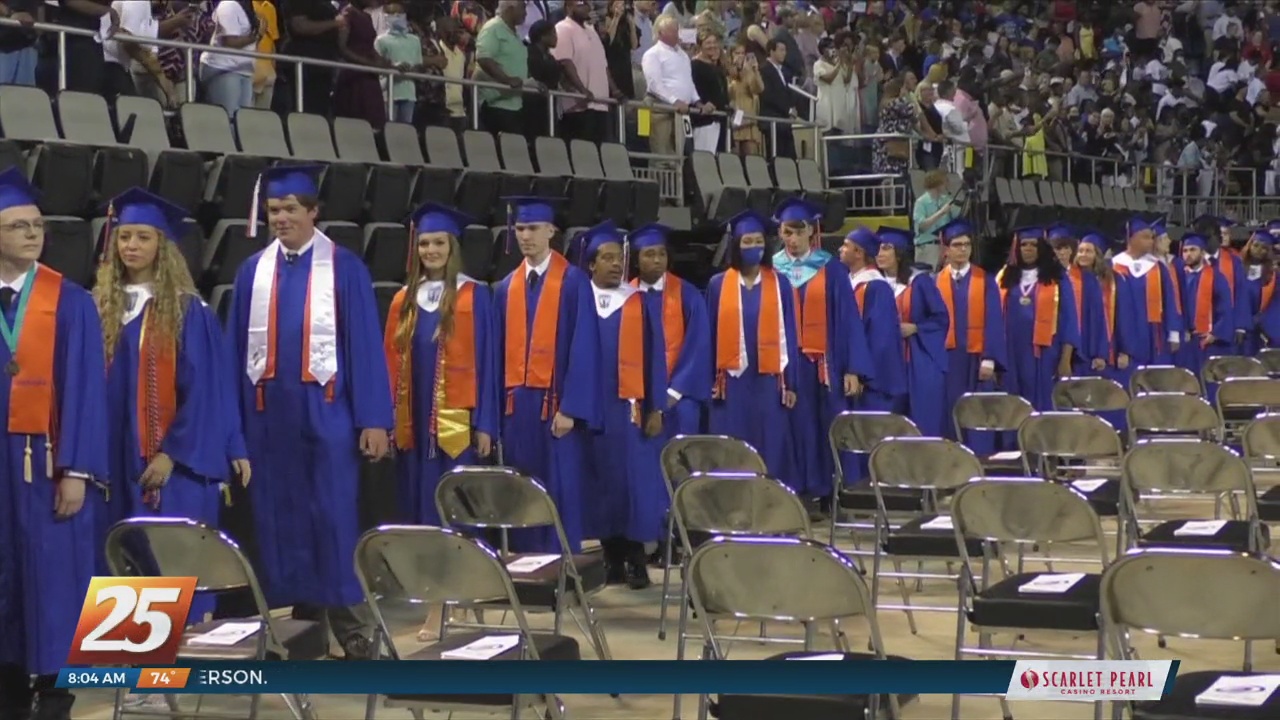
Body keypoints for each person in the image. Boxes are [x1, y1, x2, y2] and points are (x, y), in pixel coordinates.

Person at [225, 164, 392, 660]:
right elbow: (236, 356)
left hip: (328, 415)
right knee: (281, 519)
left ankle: (352, 625)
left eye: (291, 209)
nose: (281, 218)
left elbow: (364, 345)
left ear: (314, 212)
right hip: (267, 420)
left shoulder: (344, 268)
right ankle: (302, 626)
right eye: (274, 210)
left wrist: (374, 419)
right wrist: (234, 435)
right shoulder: (252, 271)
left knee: (333, 519)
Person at [94, 187, 249, 601]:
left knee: (175, 567)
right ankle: (133, 658)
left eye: (143, 237)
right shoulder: (96, 309)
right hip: (112, 462)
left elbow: (204, 393)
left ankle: (187, 658)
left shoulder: (187, 311)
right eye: (124, 236)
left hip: (171, 466)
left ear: (163, 246)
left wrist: (171, 453)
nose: (131, 246)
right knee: (121, 562)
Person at [0, 167, 108, 720]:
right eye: (18, 226)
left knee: (51, 575)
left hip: (41, 466)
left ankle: (55, 694)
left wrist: (77, 470)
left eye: (37, 225)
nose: (32, 234)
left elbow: (87, 391)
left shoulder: (69, 301)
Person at [492, 196, 599, 553]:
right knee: (522, 488)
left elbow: (584, 347)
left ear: (551, 230)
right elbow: (496, 353)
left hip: (555, 407)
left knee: (558, 487)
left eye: (534, 228)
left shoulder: (573, 282)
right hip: (516, 408)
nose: (526, 236)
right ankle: (525, 568)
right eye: (520, 228)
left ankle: (561, 570)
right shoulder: (505, 287)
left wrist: (571, 407)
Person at [384, 201, 497, 524]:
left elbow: (488, 364)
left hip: (459, 421)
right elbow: (389, 364)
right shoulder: (403, 300)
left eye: (438, 242)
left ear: (452, 246)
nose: (430, 250)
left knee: (458, 499)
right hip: (413, 419)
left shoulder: (475, 296)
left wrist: (486, 424)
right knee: (414, 494)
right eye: (423, 243)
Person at [576, 221, 666, 588]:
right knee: (599, 484)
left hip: (629, 409)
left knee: (633, 485)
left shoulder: (637, 302)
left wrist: (655, 406)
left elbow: (655, 358)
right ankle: (610, 557)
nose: (615, 264)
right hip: (591, 409)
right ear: (591, 265)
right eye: (607, 258)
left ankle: (636, 559)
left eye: (618, 258)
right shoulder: (577, 301)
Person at [774, 198, 868, 501]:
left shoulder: (831, 269)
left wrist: (853, 367)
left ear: (811, 233)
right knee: (791, 425)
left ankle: (830, 490)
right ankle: (795, 489)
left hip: (826, 363)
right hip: (786, 364)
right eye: (788, 232)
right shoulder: (772, 270)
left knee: (825, 423)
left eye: (800, 232)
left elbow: (850, 321)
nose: (794, 239)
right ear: (780, 234)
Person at [706, 209, 799, 489]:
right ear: (735, 245)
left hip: (768, 380)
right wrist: (710, 379)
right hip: (731, 382)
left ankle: (770, 500)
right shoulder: (718, 284)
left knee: (769, 440)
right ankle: (731, 500)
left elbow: (790, 333)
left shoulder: (779, 283)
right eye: (747, 242)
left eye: (759, 241)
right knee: (732, 442)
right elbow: (709, 334)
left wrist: (791, 383)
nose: (754, 247)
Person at [628, 222, 709, 439]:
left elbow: (698, 348)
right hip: (637, 397)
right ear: (636, 259)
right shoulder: (626, 297)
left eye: (662, 254)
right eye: (649, 254)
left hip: (680, 397)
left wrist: (670, 395)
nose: (657, 260)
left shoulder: (688, 295)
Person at [933, 218, 1005, 447]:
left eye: (966, 245)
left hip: (976, 358)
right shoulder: (935, 282)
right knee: (949, 408)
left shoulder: (985, 280)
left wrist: (990, 358)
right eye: (957, 245)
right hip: (948, 358)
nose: (963, 249)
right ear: (946, 249)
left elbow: (994, 320)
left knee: (977, 410)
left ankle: (981, 459)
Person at [876, 226, 949, 437]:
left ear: (899, 252)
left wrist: (916, 327)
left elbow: (941, 317)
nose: (880, 254)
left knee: (922, 418)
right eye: (878, 249)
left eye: (886, 248)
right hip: (887, 361)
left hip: (916, 359)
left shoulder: (919, 282)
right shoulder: (873, 283)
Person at [997, 228, 1078, 412]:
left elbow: (1069, 320)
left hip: (1045, 353)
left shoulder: (1057, 277)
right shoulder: (1005, 277)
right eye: (1024, 244)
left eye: (1033, 244)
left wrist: (1065, 359)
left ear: (1042, 247)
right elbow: (994, 318)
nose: (1028, 249)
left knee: (1043, 403)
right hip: (1011, 353)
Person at [841, 227, 905, 415]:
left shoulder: (876, 288)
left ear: (859, 253)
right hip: (850, 375)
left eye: (846, 246)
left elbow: (881, 339)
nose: (840, 250)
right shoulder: (849, 282)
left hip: (871, 382)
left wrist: (861, 373)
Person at [1111, 217, 1183, 369]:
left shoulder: (1157, 267)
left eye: (1151, 238)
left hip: (1153, 331)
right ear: (1131, 238)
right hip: (1121, 330)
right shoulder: (1114, 266)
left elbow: (1170, 300)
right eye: (1145, 237)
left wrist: (1173, 332)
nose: (1151, 241)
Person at [1171, 233, 1234, 381]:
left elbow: (1225, 308)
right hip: (1184, 342)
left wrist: (1216, 333)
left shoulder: (1216, 277)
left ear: (1202, 252)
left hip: (1206, 342)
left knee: (1208, 382)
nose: (1188, 254)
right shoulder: (1177, 278)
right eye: (1185, 251)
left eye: (1193, 250)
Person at [1050, 224, 1111, 377]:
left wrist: (1100, 353)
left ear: (1072, 251)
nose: (1062, 253)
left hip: (1082, 348)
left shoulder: (1087, 279)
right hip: (1050, 346)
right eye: (1057, 248)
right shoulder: (1043, 278)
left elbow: (1099, 317)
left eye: (1066, 248)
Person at [1197, 215, 1249, 354]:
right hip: (1200, 332)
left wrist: (1240, 326)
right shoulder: (1193, 263)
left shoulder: (1233, 261)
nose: (1206, 242)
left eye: (1209, 237)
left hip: (1228, 329)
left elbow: (1241, 294)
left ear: (1218, 236)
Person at [1244, 230, 1280, 353]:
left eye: (1264, 248)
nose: (1258, 250)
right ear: (1249, 246)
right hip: (1238, 325)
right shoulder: (1237, 268)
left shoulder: (1274, 276)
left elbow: (1274, 305)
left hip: (1260, 327)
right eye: (1255, 245)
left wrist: (1259, 319)